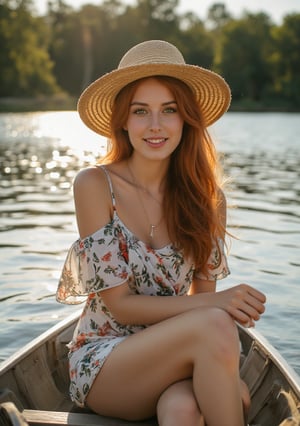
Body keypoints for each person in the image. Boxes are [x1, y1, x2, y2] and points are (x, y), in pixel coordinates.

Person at [57, 40, 266, 426]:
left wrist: (214, 310)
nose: (156, 126)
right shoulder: (95, 185)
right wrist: (220, 306)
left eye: (169, 110)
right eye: (141, 111)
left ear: (185, 119)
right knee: (219, 333)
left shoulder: (207, 200)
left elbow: (202, 302)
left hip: (176, 355)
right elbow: (119, 305)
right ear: (123, 120)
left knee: (184, 410)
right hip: (105, 361)